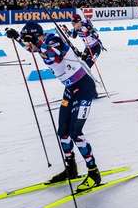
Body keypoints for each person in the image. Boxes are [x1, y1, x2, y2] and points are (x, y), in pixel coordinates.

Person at [6, 22, 101, 191]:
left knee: (75, 133)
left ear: (36, 37)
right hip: (70, 89)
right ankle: (71, 169)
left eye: (30, 40)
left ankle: (94, 173)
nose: (29, 46)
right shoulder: (38, 44)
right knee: (62, 132)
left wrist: (37, 42)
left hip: (84, 88)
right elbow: (32, 49)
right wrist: (17, 37)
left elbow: (54, 56)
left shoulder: (54, 40)